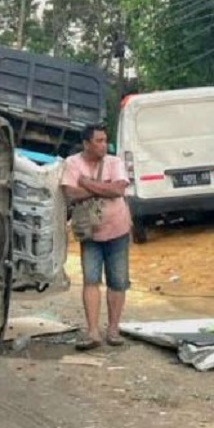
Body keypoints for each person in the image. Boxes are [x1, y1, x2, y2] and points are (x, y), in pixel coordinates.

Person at [61, 125, 132, 350]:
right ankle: (92, 331)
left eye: (104, 140)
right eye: (99, 141)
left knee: (118, 281)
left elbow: (119, 190)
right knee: (91, 280)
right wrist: (103, 187)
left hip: (118, 229)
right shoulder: (72, 163)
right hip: (90, 233)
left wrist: (88, 184)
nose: (104, 145)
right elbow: (70, 194)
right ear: (86, 144)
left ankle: (113, 329)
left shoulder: (114, 162)